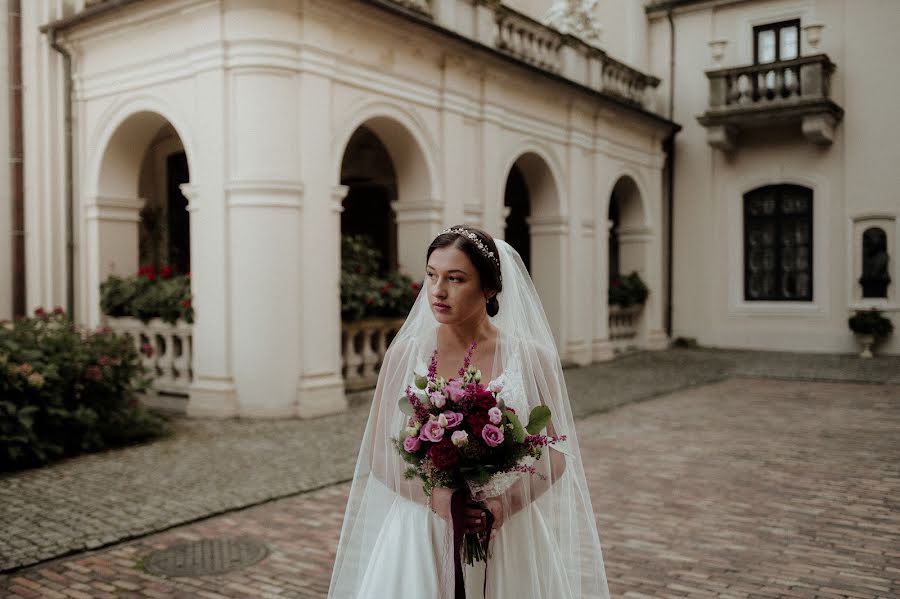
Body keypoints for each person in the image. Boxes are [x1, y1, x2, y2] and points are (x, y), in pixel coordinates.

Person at [328, 226, 611, 599]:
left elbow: (556, 454)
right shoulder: (404, 354)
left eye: (455, 279)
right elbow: (379, 453)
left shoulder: (530, 358)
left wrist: (503, 504)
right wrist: (437, 498)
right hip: (421, 529)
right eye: (432, 275)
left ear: (489, 288)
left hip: (507, 533)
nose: (437, 291)